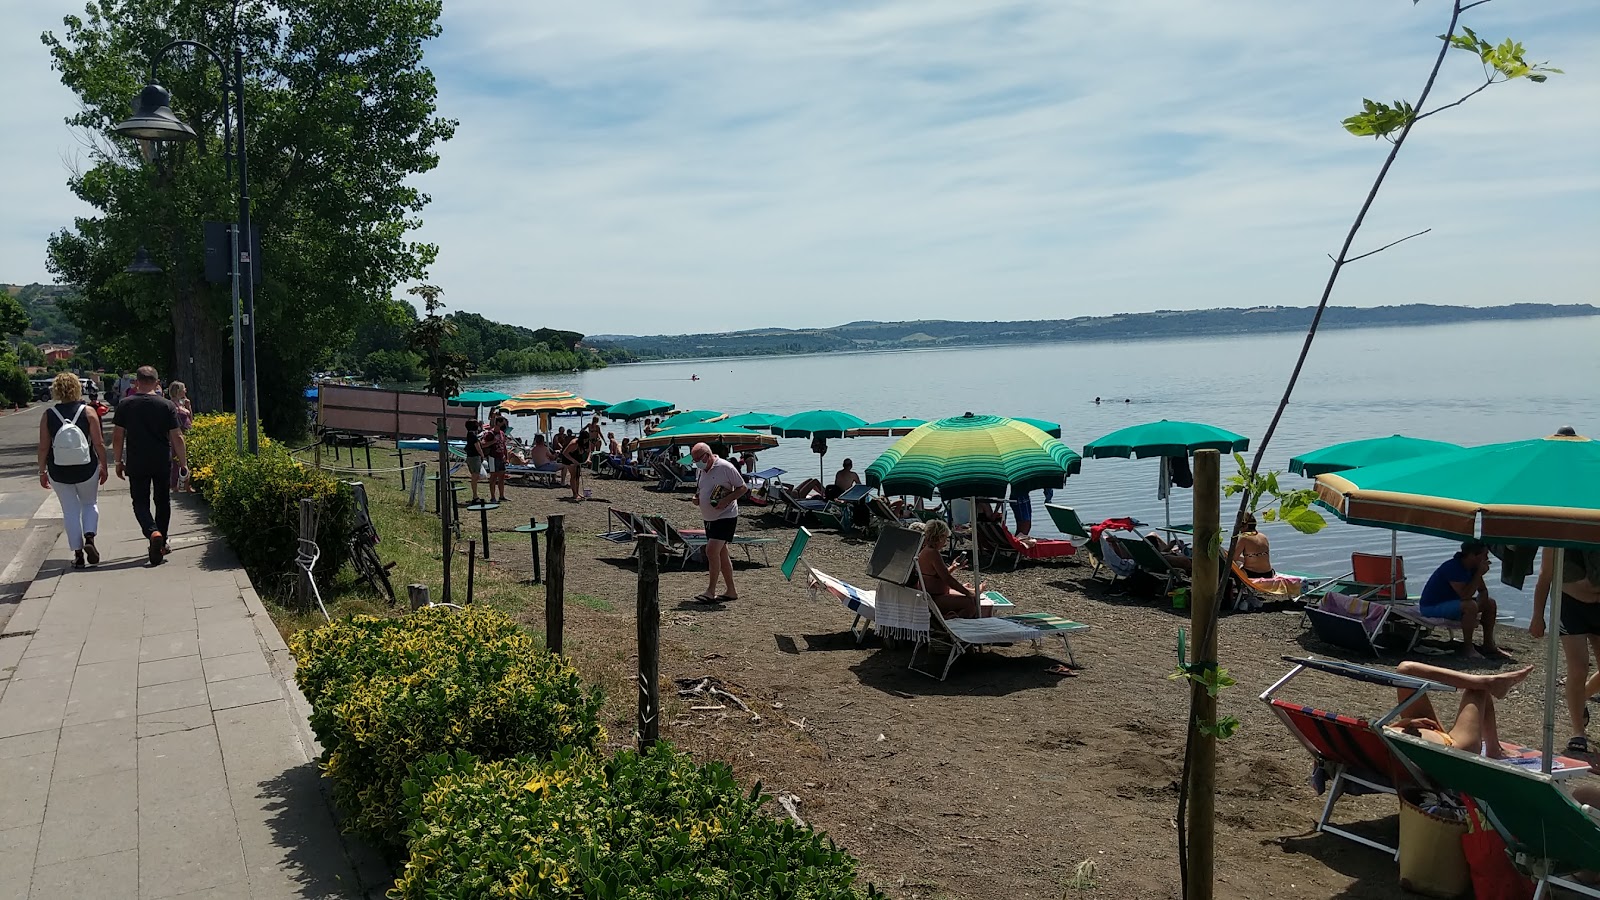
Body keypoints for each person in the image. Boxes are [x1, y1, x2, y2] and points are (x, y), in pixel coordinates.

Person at [112, 366, 189, 565]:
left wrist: (118, 461)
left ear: (136, 382)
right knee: (162, 501)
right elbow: (177, 437)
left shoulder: (125, 405)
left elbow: (118, 435)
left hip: (137, 461)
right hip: (161, 460)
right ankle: (162, 540)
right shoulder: (166, 406)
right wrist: (183, 464)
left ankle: (151, 531)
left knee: (140, 501)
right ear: (157, 383)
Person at [1531, 546, 1600, 754]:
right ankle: (1578, 732)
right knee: (1578, 667)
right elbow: (1545, 574)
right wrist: (1537, 615)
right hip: (1571, 605)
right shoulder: (1563, 527)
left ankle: (1582, 695)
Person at [37, 372, 109, 568]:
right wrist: (104, 465)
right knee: (89, 503)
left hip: (59, 470)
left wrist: (42, 471)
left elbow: (44, 446)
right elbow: (99, 443)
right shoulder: (88, 412)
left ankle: (78, 554)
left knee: (69, 510)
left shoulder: (49, 414)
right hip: (87, 467)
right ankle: (90, 538)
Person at [1385, 660, 1534, 754]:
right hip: (1452, 749)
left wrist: (1405, 723)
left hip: (1418, 731)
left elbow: (1382, 733)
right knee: (1478, 691)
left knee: (1405, 670)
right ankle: (1494, 749)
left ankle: (1485, 681)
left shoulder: (1364, 738)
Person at [1420, 540, 1506, 659]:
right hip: (1432, 607)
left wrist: (1480, 604)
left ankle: (1488, 644)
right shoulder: (1453, 567)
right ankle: (1468, 648)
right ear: (1472, 555)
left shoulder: (1471, 568)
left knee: (1490, 603)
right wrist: (1479, 574)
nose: (1486, 558)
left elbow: (1483, 590)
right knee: (1470, 605)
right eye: (1484, 555)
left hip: (1453, 605)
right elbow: (1465, 596)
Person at [690, 442, 746, 603]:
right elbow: (700, 490)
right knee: (722, 553)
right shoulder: (700, 470)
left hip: (726, 515)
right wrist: (697, 498)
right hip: (709, 518)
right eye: (694, 460)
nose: (696, 463)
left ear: (707, 455)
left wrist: (726, 500)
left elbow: (742, 488)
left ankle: (710, 591)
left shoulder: (725, 467)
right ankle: (731, 591)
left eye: (698, 459)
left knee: (711, 551)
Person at [913, 520, 987, 619]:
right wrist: (968, 593)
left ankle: (968, 595)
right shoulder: (932, 553)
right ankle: (952, 621)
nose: (945, 542)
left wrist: (953, 567)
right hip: (934, 598)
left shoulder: (926, 551)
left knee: (969, 595)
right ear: (940, 537)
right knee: (970, 603)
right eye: (945, 538)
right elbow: (948, 579)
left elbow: (938, 575)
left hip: (935, 594)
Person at [166, 382, 194, 492]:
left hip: (186, 433)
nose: (186, 390)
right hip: (176, 435)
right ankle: (174, 484)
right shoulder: (172, 405)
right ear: (178, 391)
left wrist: (189, 407)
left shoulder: (182, 404)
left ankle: (186, 484)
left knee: (185, 459)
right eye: (184, 389)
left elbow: (190, 420)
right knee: (176, 459)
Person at [561, 425, 591, 501]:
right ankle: (574, 494)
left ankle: (577, 492)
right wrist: (573, 461)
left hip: (577, 457)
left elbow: (589, 451)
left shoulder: (587, 443)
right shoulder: (574, 443)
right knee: (573, 475)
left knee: (578, 475)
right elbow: (564, 453)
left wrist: (588, 459)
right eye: (585, 440)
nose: (586, 441)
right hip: (568, 457)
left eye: (587, 439)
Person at [483, 418, 509, 502]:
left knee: (501, 477)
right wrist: (493, 441)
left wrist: (506, 456)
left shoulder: (502, 433)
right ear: (498, 423)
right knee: (493, 477)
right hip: (493, 457)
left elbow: (504, 446)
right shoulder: (490, 433)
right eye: (503, 423)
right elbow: (483, 444)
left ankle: (501, 496)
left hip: (501, 457)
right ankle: (492, 497)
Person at [463, 420, 485, 501]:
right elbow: (478, 447)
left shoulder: (469, 434)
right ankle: (475, 496)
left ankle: (475, 495)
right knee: (475, 477)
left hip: (470, 457)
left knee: (475, 476)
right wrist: (482, 455)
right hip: (474, 457)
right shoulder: (473, 436)